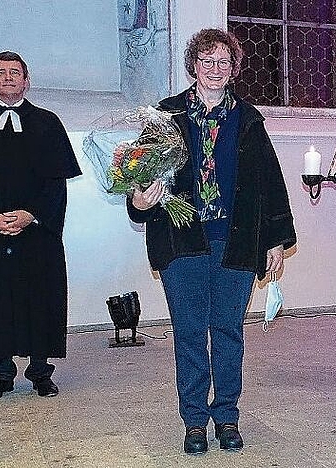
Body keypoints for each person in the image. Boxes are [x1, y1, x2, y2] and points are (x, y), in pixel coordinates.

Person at [127, 28, 296, 455]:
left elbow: (270, 182)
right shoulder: (164, 117)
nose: (215, 69)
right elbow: (139, 181)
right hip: (182, 242)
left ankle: (227, 416)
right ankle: (195, 421)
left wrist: (275, 240)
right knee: (188, 332)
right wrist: (139, 197)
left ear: (234, 68)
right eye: (207, 60)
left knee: (228, 331)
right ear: (193, 66)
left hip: (236, 241)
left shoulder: (249, 119)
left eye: (224, 62)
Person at [0, 51, 81, 401]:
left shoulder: (47, 122)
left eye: (15, 72)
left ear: (26, 80)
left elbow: (56, 183)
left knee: (41, 298)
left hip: (37, 232)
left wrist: (31, 215)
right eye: (0, 72)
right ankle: (2, 374)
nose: (8, 78)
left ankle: (40, 372)